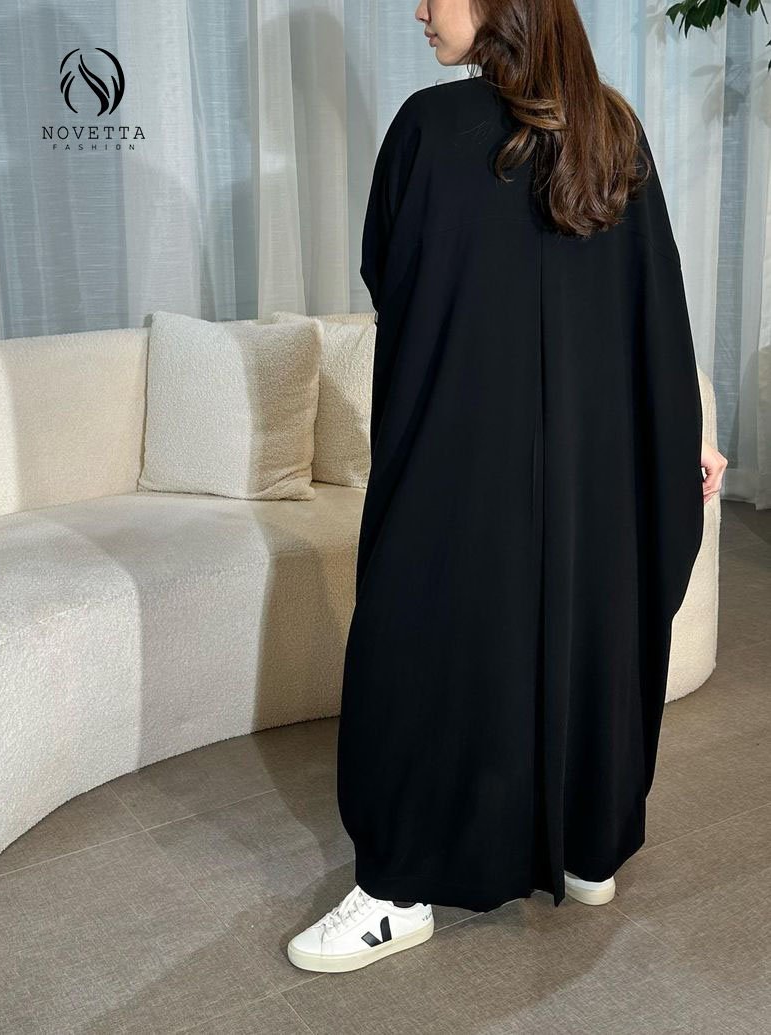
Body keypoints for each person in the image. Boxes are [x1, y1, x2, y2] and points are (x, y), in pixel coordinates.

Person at [287, 0, 728, 974]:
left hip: (456, 455)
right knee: (584, 620)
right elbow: (655, 309)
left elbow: (387, 277)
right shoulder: (613, 132)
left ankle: (398, 888)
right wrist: (679, 439)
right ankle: (585, 844)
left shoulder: (428, 129)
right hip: (592, 468)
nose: (419, 8)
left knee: (420, 640)